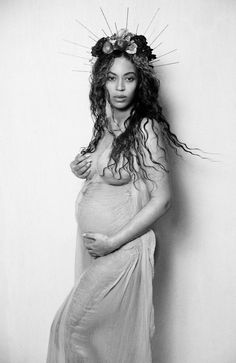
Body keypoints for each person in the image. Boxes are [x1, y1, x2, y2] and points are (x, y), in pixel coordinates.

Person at [46, 28, 196, 363]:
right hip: (103, 251)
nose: (119, 87)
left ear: (140, 82)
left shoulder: (145, 129)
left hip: (123, 250)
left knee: (70, 329)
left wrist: (112, 242)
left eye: (128, 79)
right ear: (101, 81)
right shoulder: (106, 128)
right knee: (85, 334)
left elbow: (163, 199)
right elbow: (107, 174)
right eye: (112, 78)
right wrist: (80, 167)